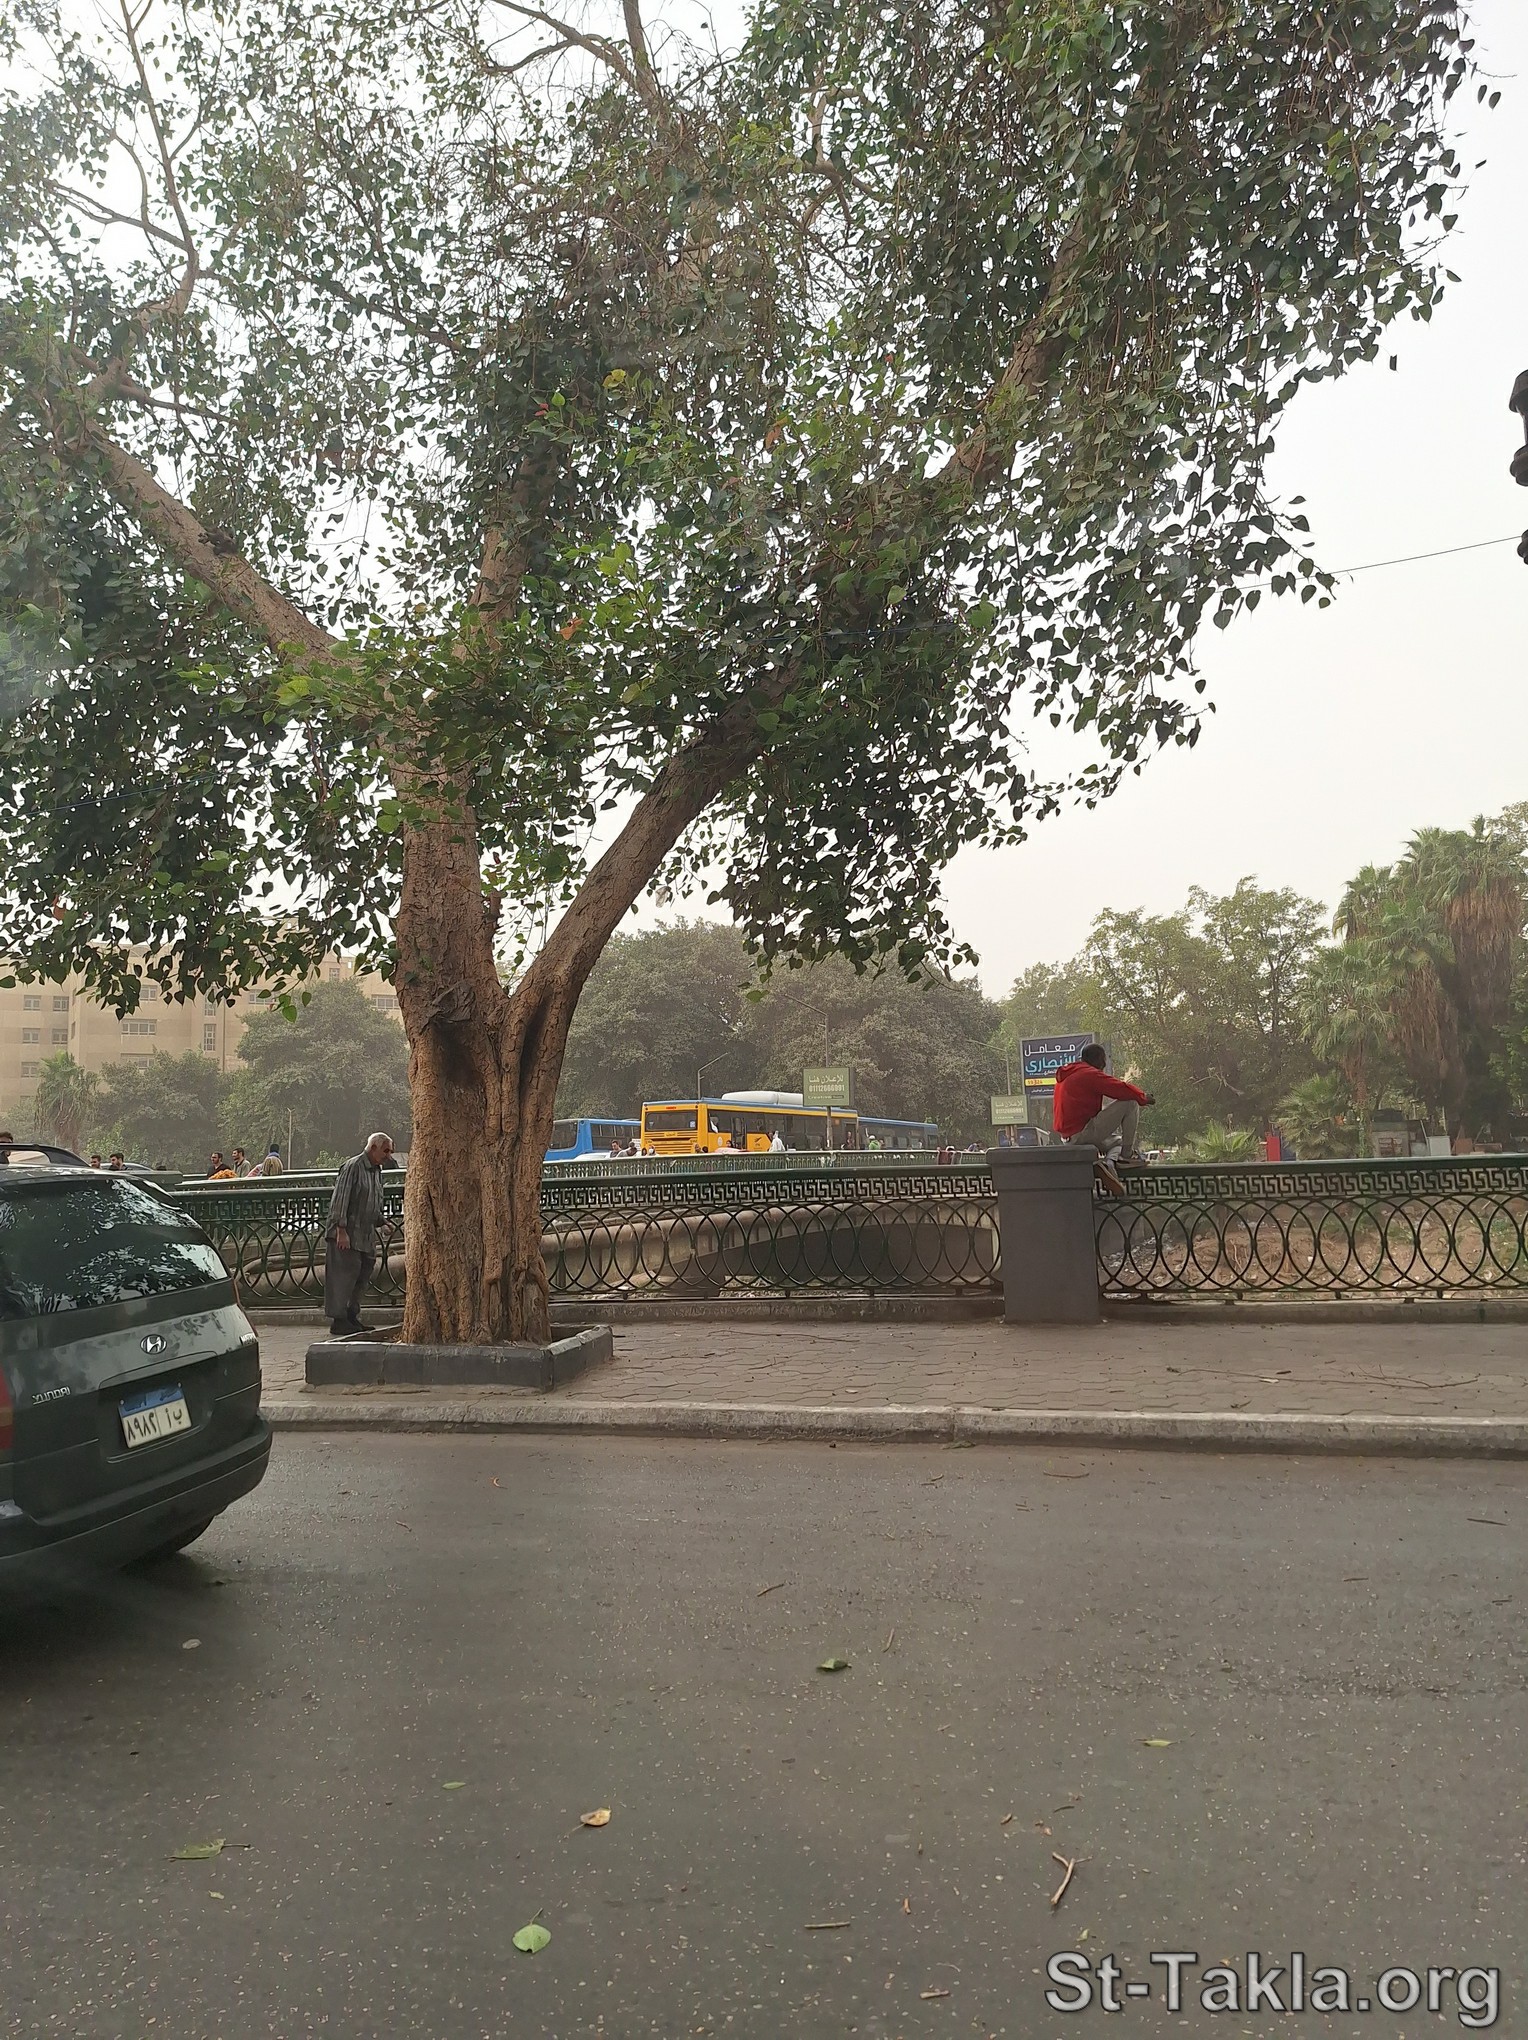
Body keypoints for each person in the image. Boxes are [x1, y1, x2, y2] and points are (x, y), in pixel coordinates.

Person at [325, 1131, 395, 1336]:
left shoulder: (376, 1171)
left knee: (362, 1276)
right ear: (373, 1148)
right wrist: (341, 1230)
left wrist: (382, 1220)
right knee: (343, 1277)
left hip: (365, 1234)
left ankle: (351, 1315)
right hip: (347, 1234)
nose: (389, 1156)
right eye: (386, 1151)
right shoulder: (353, 1167)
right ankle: (339, 1319)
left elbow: (372, 1200)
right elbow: (340, 1199)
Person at [1051, 1045, 1154, 1175]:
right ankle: (1126, 1157)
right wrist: (1142, 1097)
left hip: (1069, 1138)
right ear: (1096, 1059)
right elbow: (1120, 1089)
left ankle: (1109, 1164)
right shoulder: (1088, 1074)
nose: (1104, 1064)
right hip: (1083, 1132)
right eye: (1103, 1060)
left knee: (1119, 1142)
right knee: (1131, 1102)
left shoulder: (1068, 1075)